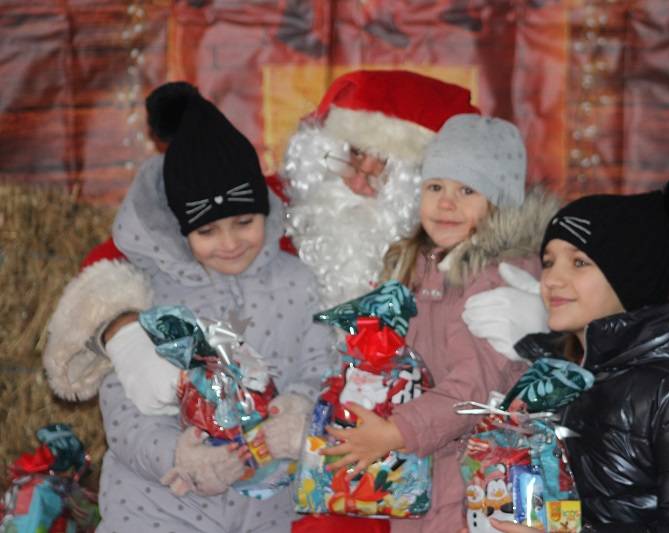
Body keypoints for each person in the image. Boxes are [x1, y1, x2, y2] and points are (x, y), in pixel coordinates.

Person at [43, 82, 334, 532]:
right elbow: (123, 409)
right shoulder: (146, 295)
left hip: (264, 514)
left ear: (266, 211)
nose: (230, 243)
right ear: (181, 232)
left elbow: (323, 365)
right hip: (158, 511)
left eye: (244, 221)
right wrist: (177, 455)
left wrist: (300, 410)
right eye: (207, 231)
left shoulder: (299, 282)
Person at [318, 113, 560, 532]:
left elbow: (474, 389)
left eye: (467, 190)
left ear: (501, 203)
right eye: (435, 187)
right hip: (424, 468)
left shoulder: (491, 279)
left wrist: (396, 430)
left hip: (471, 481)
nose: (446, 203)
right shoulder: (423, 265)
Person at [495, 176, 669, 531]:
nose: (551, 280)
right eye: (548, 262)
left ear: (632, 276)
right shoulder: (557, 378)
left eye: (579, 263)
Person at [281, 69, 482, 308]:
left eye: (385, 165)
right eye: (355, 152)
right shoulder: (267, 232)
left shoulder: (463, 275)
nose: (358, 184)